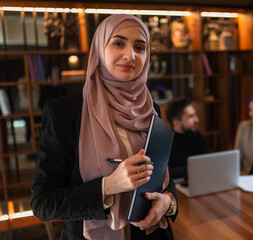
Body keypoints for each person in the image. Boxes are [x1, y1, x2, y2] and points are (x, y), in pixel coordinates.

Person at [31, 14, 177, 240]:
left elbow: (163, 176)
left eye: (140, 47)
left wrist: (168, 202)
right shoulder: (65, 113)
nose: (130, 55)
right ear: (99, 48)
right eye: (118, 43)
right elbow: (43, 204)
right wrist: (107, 186)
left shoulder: (150, 107)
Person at [166, 98, 210, 181]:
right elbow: (165, 172)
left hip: (199, 181)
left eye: (195, 115)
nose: (197, 120)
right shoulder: (165, 141)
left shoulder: (197, 135)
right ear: (176, 122)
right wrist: (194, 169)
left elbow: (208, 163)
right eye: (191, 116)